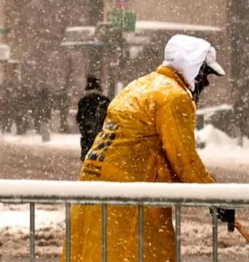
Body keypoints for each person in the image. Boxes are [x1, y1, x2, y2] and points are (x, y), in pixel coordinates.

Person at [66, 35, 231, 262]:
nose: (207, 83)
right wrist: (216, 197)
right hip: (130, 202)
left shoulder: (139, 87)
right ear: (193, 68)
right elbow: (184, 161)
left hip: (96, 194)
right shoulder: (174, 97)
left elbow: (157, 153)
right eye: (206, 74)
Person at [76, 76, 110, 160]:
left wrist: (84, 126)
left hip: (86, 132)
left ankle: (87, 161)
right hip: (101, 132)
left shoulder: (83, 101)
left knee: (87, 154)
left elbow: (79, 117)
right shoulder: (104, 100)